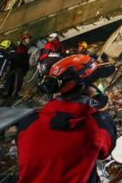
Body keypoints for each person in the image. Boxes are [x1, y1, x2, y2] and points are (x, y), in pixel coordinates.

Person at [17, 54, 116, 182]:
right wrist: (99, 108)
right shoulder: (96, 125)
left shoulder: (27, 123)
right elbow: (105, 151)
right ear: (88, 87)